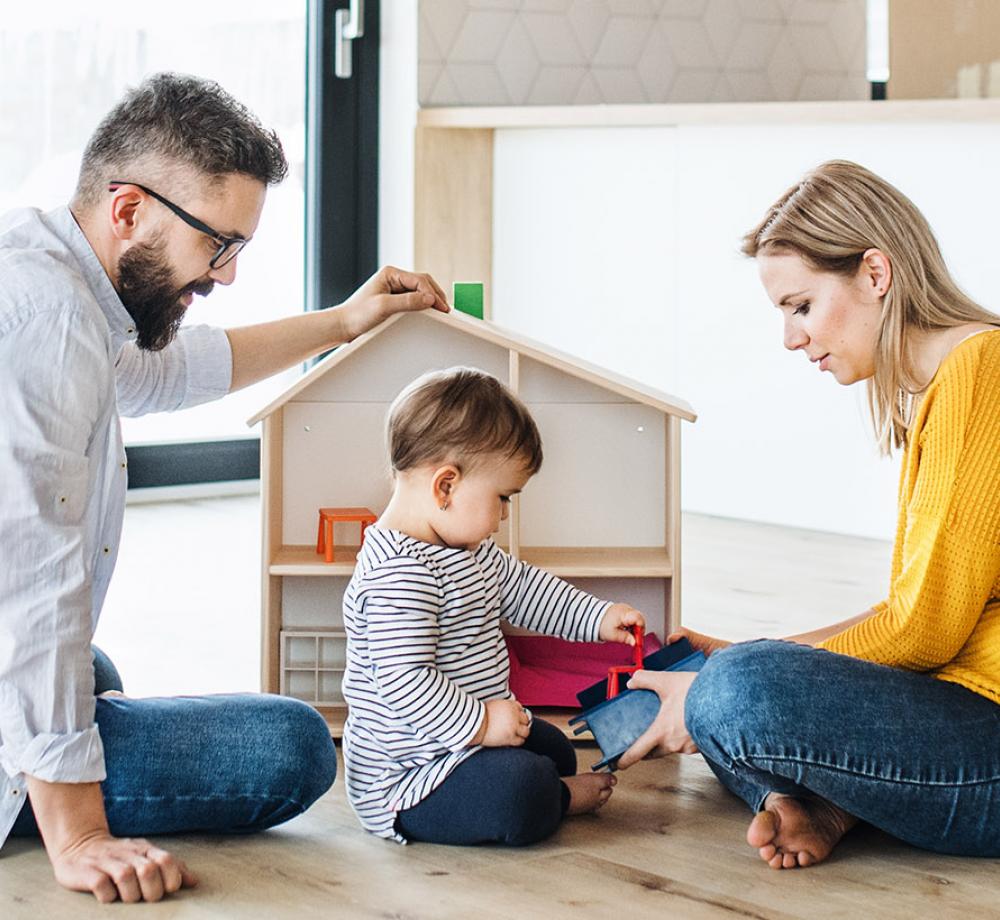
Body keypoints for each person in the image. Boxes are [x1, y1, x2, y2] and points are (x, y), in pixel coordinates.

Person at [0, 72, 450, 903]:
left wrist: (341, 323)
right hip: (12, 636)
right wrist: (80, 832)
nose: (227, 275)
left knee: (89, 669)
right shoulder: (53, 325)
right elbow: (33, 584)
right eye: (219, 245)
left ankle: (52, 744)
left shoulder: (50, 272)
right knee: (292, 746)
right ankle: (36, 784)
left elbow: (165, 374)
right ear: (128, 209)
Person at [616, 160, 1000, 869]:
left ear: (874, 275)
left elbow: (923, 630)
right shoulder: (949, 383)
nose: (793, 338)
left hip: (989, 736)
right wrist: (744, 652)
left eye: (801, 305)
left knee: (731, 696)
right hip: (966, 707)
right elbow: (910, 610)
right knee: (735, 680)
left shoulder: (983, 372)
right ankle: (823, 801)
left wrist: (730, 675)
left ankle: (822, 791)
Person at [341, 367, 644, 846]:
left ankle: (549, 784)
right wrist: (482, 723)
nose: (503, 514)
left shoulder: (468, 551)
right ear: (446, 486)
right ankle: (557, 800)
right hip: (412, 778)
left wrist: (598, 617)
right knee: (521, 793)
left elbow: (530, 592)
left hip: (466, 742)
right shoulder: (397, 576)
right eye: (502, 497)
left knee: (556, 750)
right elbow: (407, 683)